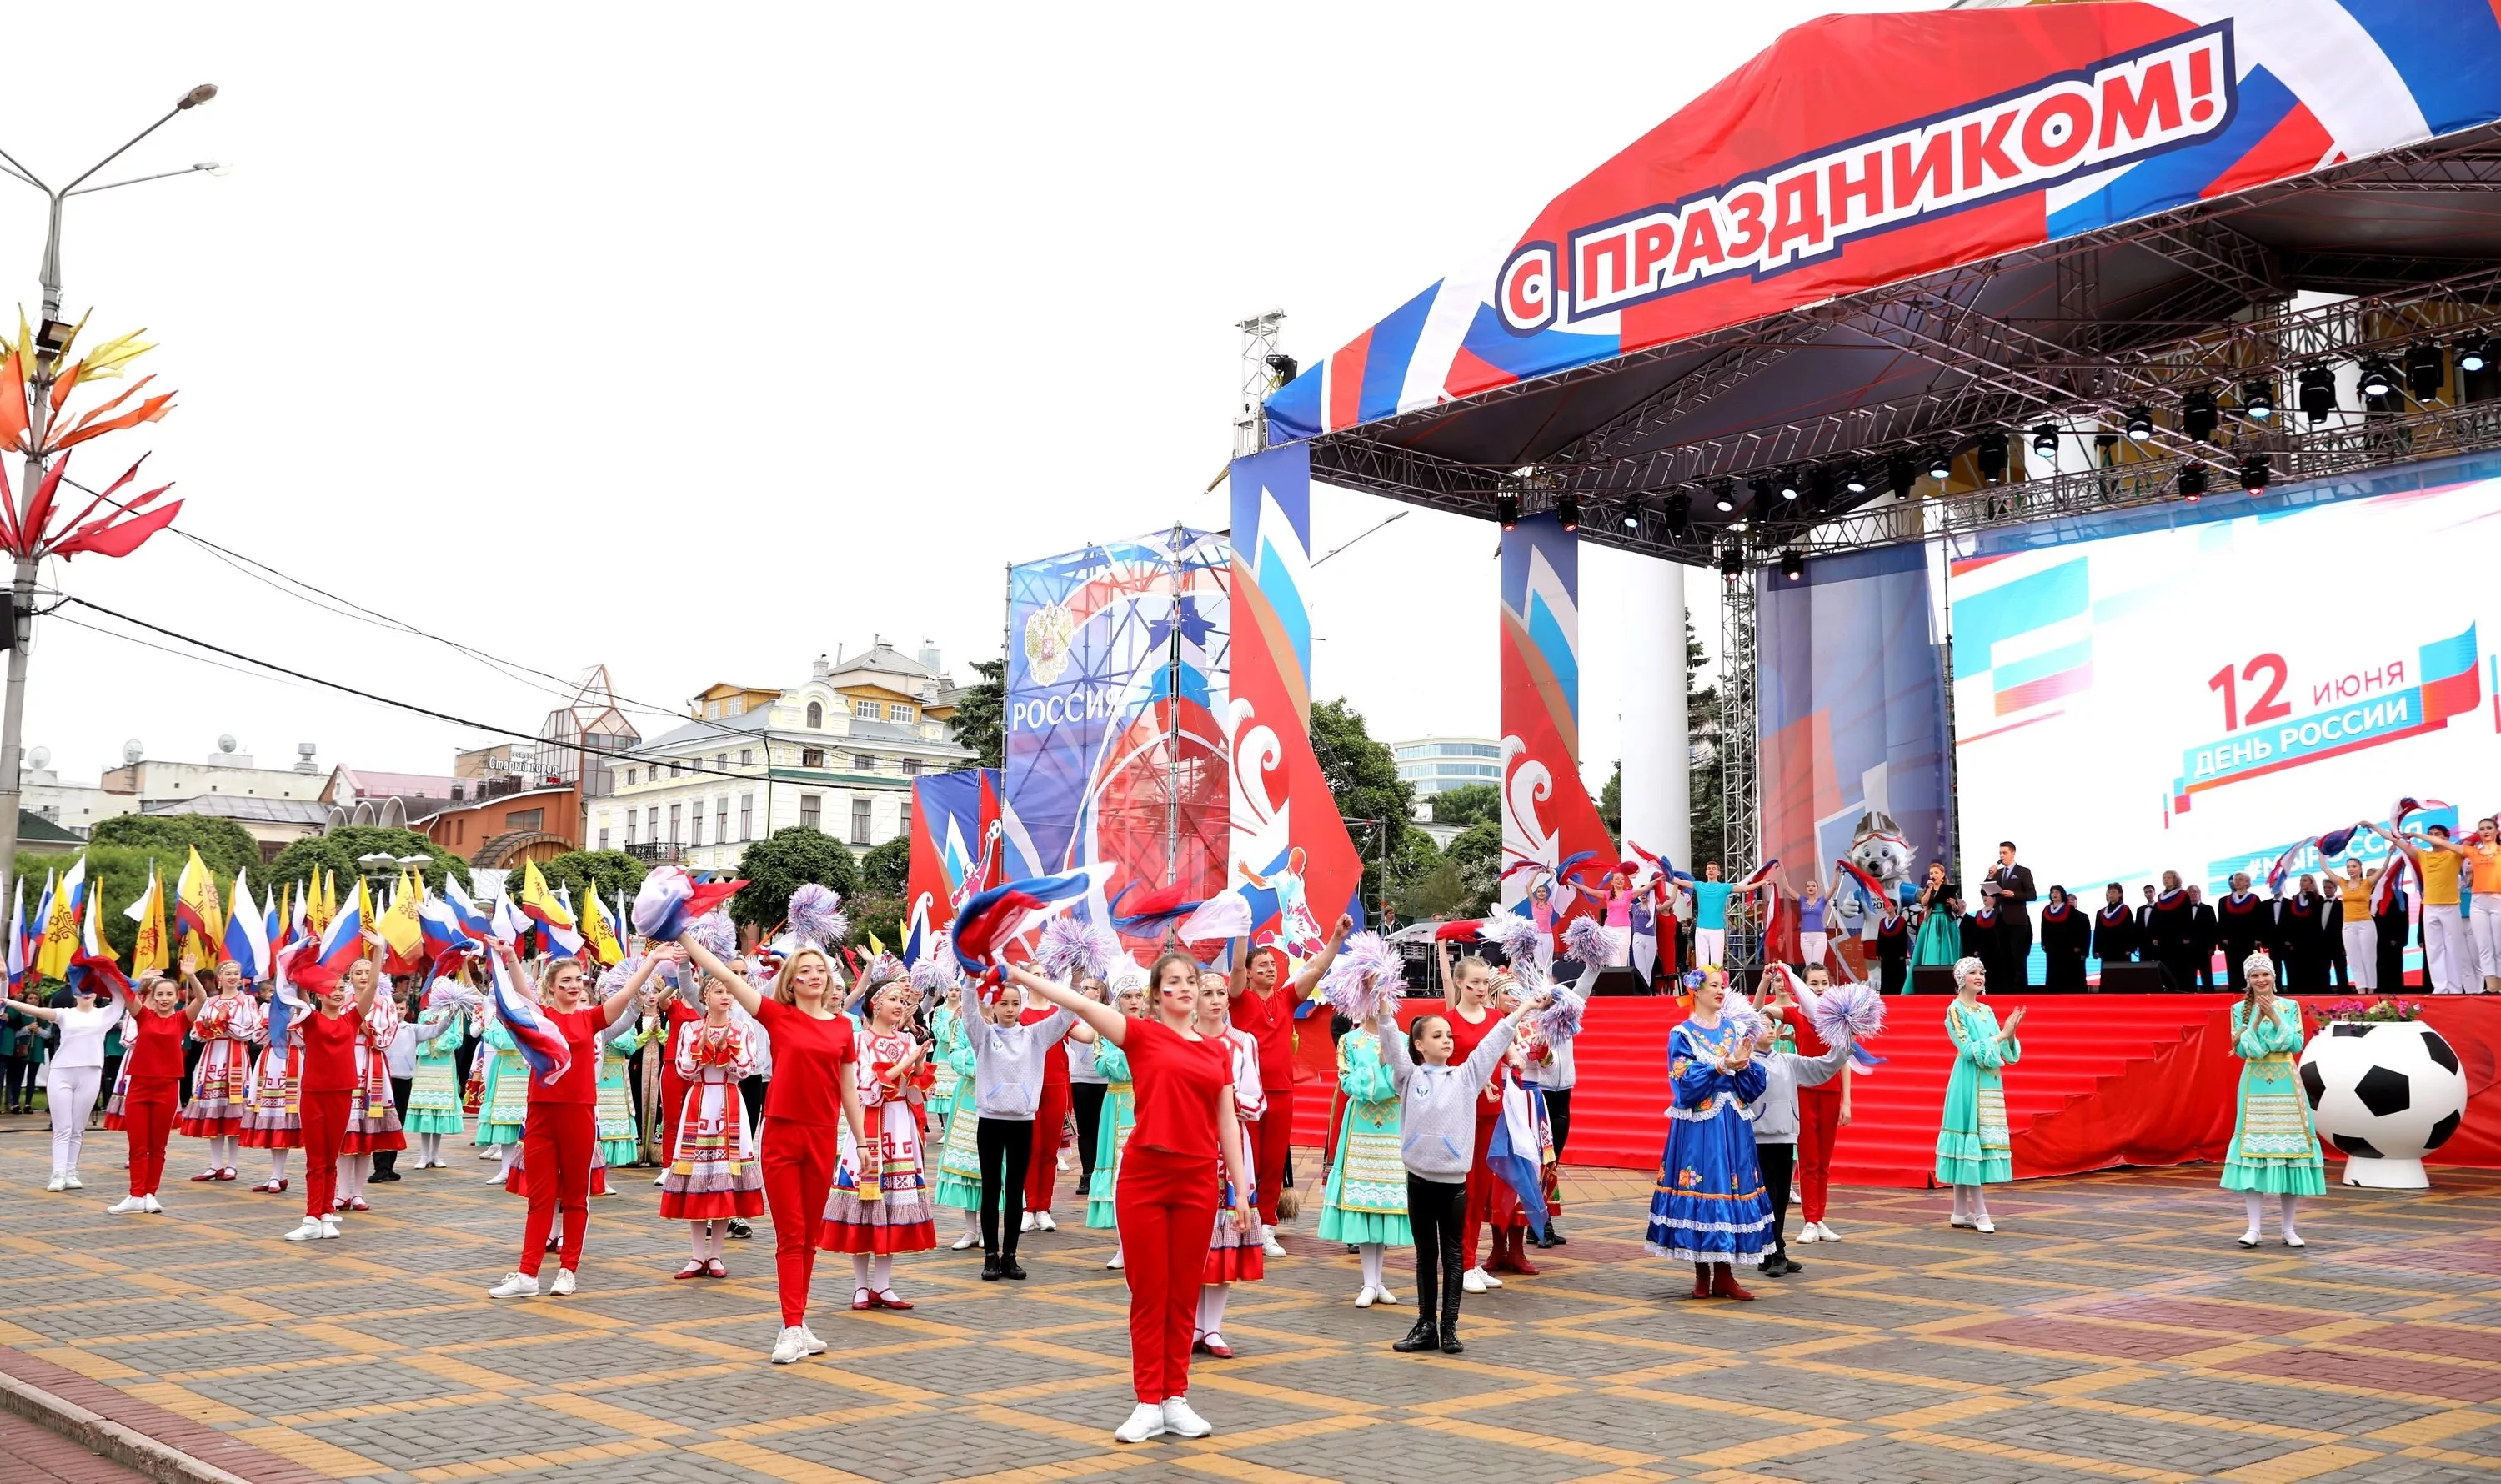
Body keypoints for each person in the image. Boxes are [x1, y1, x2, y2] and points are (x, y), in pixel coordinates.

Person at [1008, 955, 1252, 1446]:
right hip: (1145, 1178)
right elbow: (1077, 1001)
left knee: (1184, 1290)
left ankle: (1175, 1399)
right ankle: (1147, 1401)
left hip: (1199, 1181)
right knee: (1149, 1291)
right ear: (1159, 993)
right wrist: (1021, 976)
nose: (1186, 989)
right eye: (1175, 982)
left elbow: (1228, 1121)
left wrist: (1242, 1190)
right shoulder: (1140, 1034)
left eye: (1192, 982)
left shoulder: (1217, 1051)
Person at [675, 934, 867, 1361]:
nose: (814, 976)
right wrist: (685, 935)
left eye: (820, 970)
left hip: (822, 1136)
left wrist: (862, 1140)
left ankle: (798, 1321)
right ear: (791, 982)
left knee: (810, 1237)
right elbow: (725, 972)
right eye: (805, 971)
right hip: (781, 1134)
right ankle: (790, 1327)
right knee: (790, 1233)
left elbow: (849, 1089)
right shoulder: (777, 1016)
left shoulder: (843, 1028)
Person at [1372, 975, 1546, 1353]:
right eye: (1436, 1036)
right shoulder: (1408, 1076)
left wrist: (1524, 1009)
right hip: (1419, 1178)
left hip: (1453, 1182)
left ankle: (1448, 1327)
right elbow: (1389, 1039)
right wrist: (1384, 1004)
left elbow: (1492, 1043)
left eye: (1448, 1035)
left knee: (1453, 1255)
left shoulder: (1467, 1077)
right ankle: (1424, 1326)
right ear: (1418, 1045)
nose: (1446, 1040)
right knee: (1425, 1256)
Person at [482, 943, 647, 1297]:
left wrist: (652, 961)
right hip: (541, 1113)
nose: (575, 986)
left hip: (579, 1114)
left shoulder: (591, 1019)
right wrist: (509, 956)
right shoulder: (540, 1017)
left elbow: (626, 994)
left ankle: (568, 1269)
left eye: (579, 980)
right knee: (539, 1198)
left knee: (575, 1196)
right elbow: (518, 992)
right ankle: (527, 1275)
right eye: (566, 981)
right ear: (552, 986)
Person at [1645, 967, 1772, 1298]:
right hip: (1699, 1126)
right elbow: (1683, 1081)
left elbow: (1753, 1080)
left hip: (1731, 1122)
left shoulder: (1734, 1029)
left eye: (1722, 986)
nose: (1720, 992)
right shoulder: (1682, 1034)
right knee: (1704, 1187)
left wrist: (1743, 1066)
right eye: (1714, 986)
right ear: (1696, 992)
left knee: (1728, 1189)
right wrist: (1721, 1067)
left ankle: (1725, 1274)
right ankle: (1702, 1274)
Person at [1228, 916, 1350, 1257]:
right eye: (1262, 964)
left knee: (1271, 1163)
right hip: (1246, 1095)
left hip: (1281, 1092)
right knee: (1244, 1161)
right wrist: (1241, 930)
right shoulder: (1239, 999)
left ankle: (1266, 1228)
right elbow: (1236, 968)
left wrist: (1337, 938)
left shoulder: (1285, 999)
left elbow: (1316, 969)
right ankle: (1241, 1223)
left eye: (1273, 964)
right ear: (1250, 973)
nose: (1270, 968)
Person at [819, 974, 936, 1310]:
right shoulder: (860, 1042)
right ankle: (859, 1286)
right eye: (893, 999)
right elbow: (866, 1090)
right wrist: (905, 1064)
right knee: (865, 1204)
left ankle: (883, 1286)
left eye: (902, 1000)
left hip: (900, 1125)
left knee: (894, 1204)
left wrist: (917, 1070)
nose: (900, 1006)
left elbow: (914, 1093)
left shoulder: (906, 1041)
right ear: (875, 1004)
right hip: (867, 1128)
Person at [960, 975, 1075, 1281]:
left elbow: (1066, 1015)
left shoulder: (1035, 1036)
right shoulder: (983, 1036)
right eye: (1003, 1003)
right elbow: (969, 1011)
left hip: (1023, 1120)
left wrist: (1070, 980)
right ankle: (990, 1257)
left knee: (1014, 1191)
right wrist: (971, 981)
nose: (1009, 1009)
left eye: (1015, 1003)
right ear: (994, 1006)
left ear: (1022, 1005)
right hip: (991, 1119)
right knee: (991, 1188)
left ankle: (1010, 1256)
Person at [660, 962, 763, 1279]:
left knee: (722, 1180)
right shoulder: (691, 1028)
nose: (727, 996)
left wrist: (726, 1052)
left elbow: (746, 1068)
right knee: (697, 1178)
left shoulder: (742, 1030)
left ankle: (715, 1255)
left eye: (730, 992)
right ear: (706, 995)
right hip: (700, 1100)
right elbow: (684, 1069)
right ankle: (695, 1255)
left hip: (730, 1101)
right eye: (719, 991)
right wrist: (701, 1048)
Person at [1749, 980, 1853, 1276]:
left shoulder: (1788, 1061)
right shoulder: (1744, 1063)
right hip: (1757, 1136)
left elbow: (1822, 1067)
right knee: (1764, 1195)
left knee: (1780, 1195)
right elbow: (1750, 1014)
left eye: (1771, 1025)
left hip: (1784, 1135)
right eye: (1762, 1025)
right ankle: (1773, 1251)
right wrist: (1764, 984)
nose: (1769, 1028)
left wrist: (1845, 1041)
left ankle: (1773, 1251)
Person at [1317, 971, 1408, 1307]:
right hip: (1360, 1130)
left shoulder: (1398, 1037)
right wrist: (1381, 1070)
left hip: (1391, 1130)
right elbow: (1349, 1084)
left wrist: (1387, 1069)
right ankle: (1368, 1282)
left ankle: (1379, 1280)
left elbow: (1403, 1079)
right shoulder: (1349, 1041)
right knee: (1365, 1203)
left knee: (1385, 1203)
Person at [2223, 955, 2323, 1248]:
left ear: (2274, 976)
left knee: (2289, 1154)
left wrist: (2276, 1017)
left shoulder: (2290, 1007)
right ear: (2247, 980)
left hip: (2286, 1081)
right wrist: (2255, 1019)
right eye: (2254, 976)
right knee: (2254, 1153)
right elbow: (2246, 1050)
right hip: (2254, 1084)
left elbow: (2293, 1044)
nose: (2261, 980)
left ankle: (2288, 1228)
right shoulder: (2238, 1010)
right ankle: (2253, 1228)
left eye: (2265, 974)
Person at [285, 952, 385, 1242]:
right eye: (332, 989)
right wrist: (298, 964)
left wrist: (377, 951)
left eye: (342, 989)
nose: (338, 993)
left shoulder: (353, 1019)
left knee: (331, 1158)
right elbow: (295, 992)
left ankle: (326, 1214)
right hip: (314, 1095)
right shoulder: (311, 1019)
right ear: (319, 995)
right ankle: (311, 1217)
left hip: (342, 1094)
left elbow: (374, 984)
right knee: (316, 1160)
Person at [1191, 985, 1266, 1358]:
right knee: (1191, 1238)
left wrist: (1226, 1097)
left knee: (1225, 1234)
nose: (1217, 1000)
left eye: (1221, 992)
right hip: (1188, 1143)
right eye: (1208, 993)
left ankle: (1213, 1328)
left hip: (1231, 1146)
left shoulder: (1243, 1043)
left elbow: (1257, 1101)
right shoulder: (1181, 1039)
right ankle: (1191, 1326)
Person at [1934, 957, 2023, 1233]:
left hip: (1989, 1081)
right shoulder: (1955, 1010)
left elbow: (2008, 1053)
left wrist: (2010, 1034)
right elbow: (1968, 1049)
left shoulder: (1986, 1011)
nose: (1979, 976)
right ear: (1961, 977)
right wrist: (2002, 1035)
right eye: (1973, 972)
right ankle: (1980, 1211)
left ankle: (1961, 1211)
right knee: (1968, 1139)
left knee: (1974, 1142)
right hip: (1968, 1081)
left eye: (1982, 971)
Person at [8, 979, 122, 1191]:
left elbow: (122, 995)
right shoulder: (65, 1014)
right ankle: (58, 1173)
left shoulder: (105, 1014)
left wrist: (128, 978)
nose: (86, 994)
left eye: (90, 990)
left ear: (96, 994)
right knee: (62, 1127)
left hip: (90, 1073)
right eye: (81, 990)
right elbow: (38, 1010)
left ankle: (71, 1171)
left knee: (77, 1128)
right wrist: (8, 1001)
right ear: (74, 994)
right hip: (62, 1073)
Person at [1520, 962, 1591, 1247]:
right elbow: (1530, 1059)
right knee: (1540, 1160)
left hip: (1564, 1097)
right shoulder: (1532, 1022)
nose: (1550, 993)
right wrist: (1538, 1055)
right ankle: (1538, 1224)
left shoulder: (1566, 1018)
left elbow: (1583, 990)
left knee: (1553, 1161)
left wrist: (1594, 961)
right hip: (1541, 1095)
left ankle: (1541, 1221)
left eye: (1553, 987)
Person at [1779, 963, 1852, 1244]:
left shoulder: (1839, 1019)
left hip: (1831, 1094)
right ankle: (1809, 1220)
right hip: (1804, 1093)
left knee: (1824, 1162)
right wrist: (1770, 981)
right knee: (1808, 1160)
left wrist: (1847, 1101)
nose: (1820, 989)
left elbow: (1845, 1062)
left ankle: (1820, 1219)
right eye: (1813, 984)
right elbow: (1759, 1010)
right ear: (1803, 987)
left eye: (1824, 983)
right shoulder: (1797, 1016)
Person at [333, 961, 406, 1212]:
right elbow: (332, 1029)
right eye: (358, 972)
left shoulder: (385, 1002)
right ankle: (341, 1192)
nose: (363, 976)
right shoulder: (341, 999)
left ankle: (358, 1193)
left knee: (366, 1133)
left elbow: (387, 1036)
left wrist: (367, 1028)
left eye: (368, 971)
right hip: (344, 1062)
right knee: (345, 1132)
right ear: (349, 976)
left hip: (372, 1063)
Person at [179, 958, 259, 1181]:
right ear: (219, 978)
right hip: (212, 1056)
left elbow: (249, 1031)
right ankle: (215, 1164)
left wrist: (226, 1025)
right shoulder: (210, 1003)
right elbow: (195, 1032)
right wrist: (208, 1029)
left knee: (233, 1109)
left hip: (235, 1055)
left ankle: (232, 1165)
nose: (233, 977)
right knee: (214, 1109)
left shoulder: (247, 1001)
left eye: (236, 973)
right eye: (228, 973)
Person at [1086, 981, 1146, 1266]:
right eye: (1127, 996)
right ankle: (1123, 1247)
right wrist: (1131, 1047)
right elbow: (1105, 1067)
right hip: (1117, 1104)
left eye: (1138, 996)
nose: (1133, 1001)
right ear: (1118, 1001)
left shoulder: (1155, 1028)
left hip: (1148, 1100)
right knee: (1119, 1177)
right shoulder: (1106, 1030)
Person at [930, 987, 984, 1252]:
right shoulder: (963, 1023)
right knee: (968, 1164)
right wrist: (983, 1060)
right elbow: (954, 1054)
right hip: (966, 1099)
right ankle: (970, 1229)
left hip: (994, 1099)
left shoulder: (1005, 1025)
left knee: (992, 1165)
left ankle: (988, 1229)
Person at [405, 975, 475, 1170]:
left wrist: (441, 1040)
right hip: (426, 1063)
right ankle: (423, 1154)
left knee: (440, 1111)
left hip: (444, 1063)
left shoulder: (455, 1014)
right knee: (425, 1109)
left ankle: (435, 1154)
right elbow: (417, 1037)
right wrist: (428, 1039)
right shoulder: (424, 1014)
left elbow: (458, 1038)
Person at [238, 988, 303, 1192]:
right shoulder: (266, 1008)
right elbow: (256, 1037)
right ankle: (277, 1174)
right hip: (269, 1060)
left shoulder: (303, 1009)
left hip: (292, 1060)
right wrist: (270, 1026)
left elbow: (306, 1038)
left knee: (284, 1116)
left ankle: (278, 1174)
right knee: (272, 1116)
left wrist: (288, 1026)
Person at [2393, 824, 2470, 993]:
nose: (2434, 837)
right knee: (2434, 949)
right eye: (2431, 834)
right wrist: (2375, 827)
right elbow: (2397, 841)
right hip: (2429, 907)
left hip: (2450, 906)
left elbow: (2475, 839)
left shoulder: (2455, 853)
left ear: (2446, 837)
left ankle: (2456, 988)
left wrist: (2417, 834)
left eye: (2438, 834)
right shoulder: (2423, 855)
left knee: (2453, 948)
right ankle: (2440, 988)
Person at [370, 984, 419, 1182]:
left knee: (397, 1124)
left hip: (404, 1081)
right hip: (384, 1081)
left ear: (407, 1010)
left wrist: (452, 1013)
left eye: (402, 1009)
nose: (398, 1012)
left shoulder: (412, 1029)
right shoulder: (381, 1029)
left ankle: (390, 1166)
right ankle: (380, 1167)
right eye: (395, 1008)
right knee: (381, 1123)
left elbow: (434, 1031)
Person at [2328, 855, 2388, 991]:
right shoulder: (2343, 883)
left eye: (2354, 866)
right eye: (2348, 867)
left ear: (2360, 868)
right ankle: (2361, 990)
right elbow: (2326, 869)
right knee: (2354, 960)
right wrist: (2320, 852)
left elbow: (2383, 869)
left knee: (2369, 959)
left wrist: (2389, 854)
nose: (2350, 869)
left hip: (2365, 924)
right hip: (2348, 926)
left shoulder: (2367, 883)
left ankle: (2371, 990)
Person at [1982, 842, 2037, 987]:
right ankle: (2006, 988)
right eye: (2000, 853)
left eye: (2005, 853)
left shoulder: (2023, 872)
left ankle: (2020, 988)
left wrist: (2014, 894)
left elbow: (2032, 895)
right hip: (2000, 918)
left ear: (2013, 853)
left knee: (2018, 956)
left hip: (2017, 920)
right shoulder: (1998, 873)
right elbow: (1985, 892)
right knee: (2003, 955)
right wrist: (1990, 876)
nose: (2001, 856)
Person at [2214, 874, 2277, 990]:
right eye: (2235, 880)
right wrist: (2224, 938)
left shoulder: (2254, 899)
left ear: (2247, 883)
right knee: (2233, 967)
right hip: (2232, 941)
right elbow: (2222, 921)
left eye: (2241, 880)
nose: (2237, 882)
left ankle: (2251, 991)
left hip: (2249, 940)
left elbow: (2260, 920)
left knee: (2249, 966)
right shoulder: (2224, 900)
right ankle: (2234, 991)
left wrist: (2258, 938)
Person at [2274, 875, 2328, 992]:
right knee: (2297, 969)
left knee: (2313, 969)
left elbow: (2316, 915)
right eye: (2301, 880)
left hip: (2312, 940)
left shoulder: (2318, 899)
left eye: (2305, 880)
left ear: (2312, 883)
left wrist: (2310, 894)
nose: (2302, 883)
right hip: (2296, 942)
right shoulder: (2293, 900)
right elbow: (2287, 920)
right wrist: (2287, 939)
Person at [2147, 873, 2198, 990]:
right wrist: (2154, 936)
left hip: (2178, 937)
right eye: (2164, 878)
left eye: (2169, 878)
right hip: (2163, 937)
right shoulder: (2161, 896)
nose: (2166, 880)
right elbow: (2155, 918)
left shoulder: (2183, 895)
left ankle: (2180, 988)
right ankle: (2169, 988)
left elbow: (2187, 915)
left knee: (2179, 964)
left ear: (2175, 880)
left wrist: (2187, 935)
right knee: (2165, 964)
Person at [2038, 886, 2088, 993]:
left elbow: (2076, 928)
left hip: (2067, 947)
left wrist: (2077, 945)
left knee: (2067, 971)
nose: (2054, 894)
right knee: (2053, 970)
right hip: (2052, 947)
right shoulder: (2047, 910)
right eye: (2052, 892)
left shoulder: (2069, 909)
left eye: (2057, 892)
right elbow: (2044, 928)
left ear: (2062, 894)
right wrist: (2044, 943)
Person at [1912, 863, 1961, 970]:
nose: (1933, 875)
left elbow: (1957, 910)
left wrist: (1953, 904)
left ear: (1942, 874)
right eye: (1931, 873)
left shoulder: (1949, 888)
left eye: (1936, 873)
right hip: (1932, 920)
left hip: (1946, 920)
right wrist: (1931, 888)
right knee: (1932, 947)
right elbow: (1923, 902)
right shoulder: (1929, 888)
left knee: (1945, 948)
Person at [2188, 885, 2219, 989]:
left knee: (2206, 975)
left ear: (2199, 894)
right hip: (2188, 948)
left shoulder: (2208, 909)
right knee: (2189, 975)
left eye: (2195, 892)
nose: (2192, 894)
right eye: (2190, 892)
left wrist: (2212, 947)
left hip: (2204, 948)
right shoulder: (2183, 910)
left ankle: (2210, 997)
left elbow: (2213, 929)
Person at [1795, 880, 1830, 973]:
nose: (1811, 888)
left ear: (1817, 888)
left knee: (1818, 965)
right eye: (1808, 886)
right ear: (1806, 889)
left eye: (1813, 886)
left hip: (1819, 936)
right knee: (1809, 966)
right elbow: (1786, 888)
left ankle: (1820, 986)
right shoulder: (1802, 900)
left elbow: (1834, 888)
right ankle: (1810, 986)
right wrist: (1781, 872)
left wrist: (1836, 872)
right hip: (1805, 936)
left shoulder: (1822, 900)